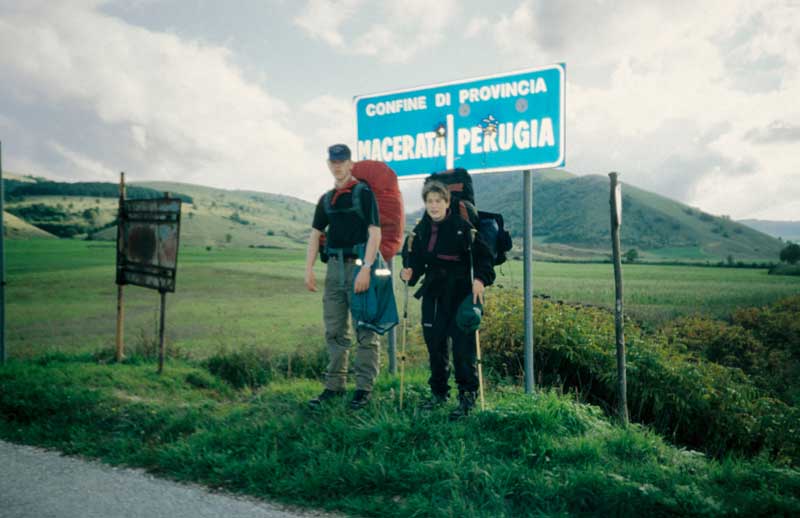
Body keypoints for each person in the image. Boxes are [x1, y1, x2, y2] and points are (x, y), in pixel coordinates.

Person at [401, 181, 495, 419]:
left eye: (438, 201)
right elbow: (414, 264)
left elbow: (484, 259)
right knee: (435, 345)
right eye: (429, 201)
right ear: (426, 204)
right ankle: (439, 393)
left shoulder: (463, 228)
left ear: (446, 202)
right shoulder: (420, 231)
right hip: (433, 294)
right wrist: (409, 273)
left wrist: (480, 280)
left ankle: (467, 397)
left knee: (463, 348)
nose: (433, 206)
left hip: (461, 292)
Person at [305, 144, 382, 410]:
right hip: (334, 269)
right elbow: (315, 234)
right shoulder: (326, 199)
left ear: (351, 164)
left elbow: (375, 232)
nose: (337, 166)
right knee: (335, 331)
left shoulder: (363, 194)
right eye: (333, 162)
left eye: (342, 161)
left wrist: (366, 268)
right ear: (329, 164)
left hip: (358, 266)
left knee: (365, 330)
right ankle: (334, 387)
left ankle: (363, 389)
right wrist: (309, 269)